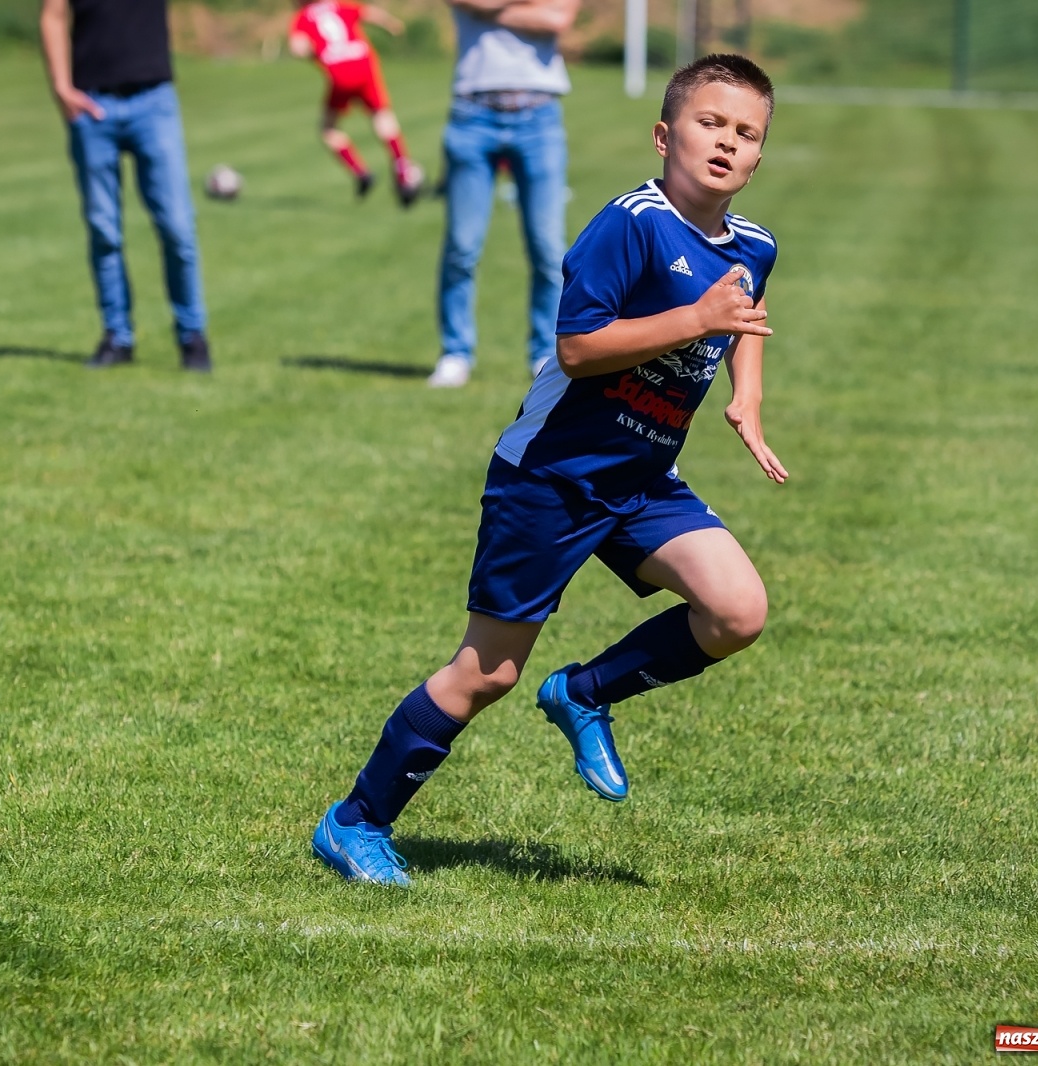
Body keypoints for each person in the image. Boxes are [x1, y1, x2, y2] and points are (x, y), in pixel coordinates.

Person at [313, 55, 787, 885]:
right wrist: (692, 320)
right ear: (665, 134)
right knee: (486, 673)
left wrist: (745, 396)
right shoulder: (630, 223)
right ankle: (355, 821)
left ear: (756, 159)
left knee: (737, 610)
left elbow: (743, 311)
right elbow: (576, 346)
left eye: (746, 134)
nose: (726, 142)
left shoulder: (754, 243)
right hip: (554, 477)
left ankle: (585, 692)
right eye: (710, 123)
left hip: (641, 480)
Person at [39, 0, 213, 372]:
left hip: (153, 100)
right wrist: (60, 87)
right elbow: (53, 14)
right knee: (104, 230)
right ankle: (117, 337)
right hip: (91, 105)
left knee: (177, 227)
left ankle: (192, 336)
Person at [426, 0, 579, 388]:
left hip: (539, 117)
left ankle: (545, 354)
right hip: (471, 115)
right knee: (462, 246)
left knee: (547, 248)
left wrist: (490, 10)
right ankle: (455, 352)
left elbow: (559, 17)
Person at [287, 0, 425, 204]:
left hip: (339, 71)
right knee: (381, 116)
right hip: (364, 62)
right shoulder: (339, 5)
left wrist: (315, 53)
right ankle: (403, 169)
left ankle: (360, 172)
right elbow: (370, 14)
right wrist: (392, 24)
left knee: (328, 128)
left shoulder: (302, 17)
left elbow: (297, 48)